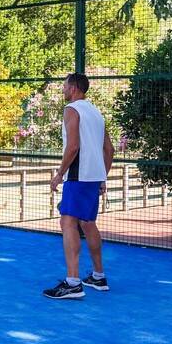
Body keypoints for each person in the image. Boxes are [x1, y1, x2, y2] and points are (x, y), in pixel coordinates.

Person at [44, 73, 115, 300]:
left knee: (67, 222)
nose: (63, 89)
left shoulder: (71, 109)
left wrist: (59, 174)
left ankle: (73, 283)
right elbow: (110, 150)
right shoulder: (96, 112)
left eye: (64, 86)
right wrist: (102, 177)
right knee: (87, 223)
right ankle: (98, 276)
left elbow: (73, 146)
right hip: (92, 177)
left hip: (78, 175)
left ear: (73, 88)